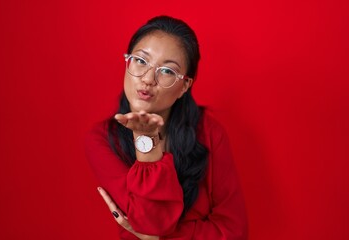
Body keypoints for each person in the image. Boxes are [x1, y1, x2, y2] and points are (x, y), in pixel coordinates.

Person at [85, 15, 248, 240]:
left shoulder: (209, 132)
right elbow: (151, 223)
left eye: (167, 71)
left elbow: (234, 231)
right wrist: (146, 139)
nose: (148, 79)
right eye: (140, 61)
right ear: (127, 62)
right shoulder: (102, 138)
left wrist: (160, 238)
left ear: (185, 86)